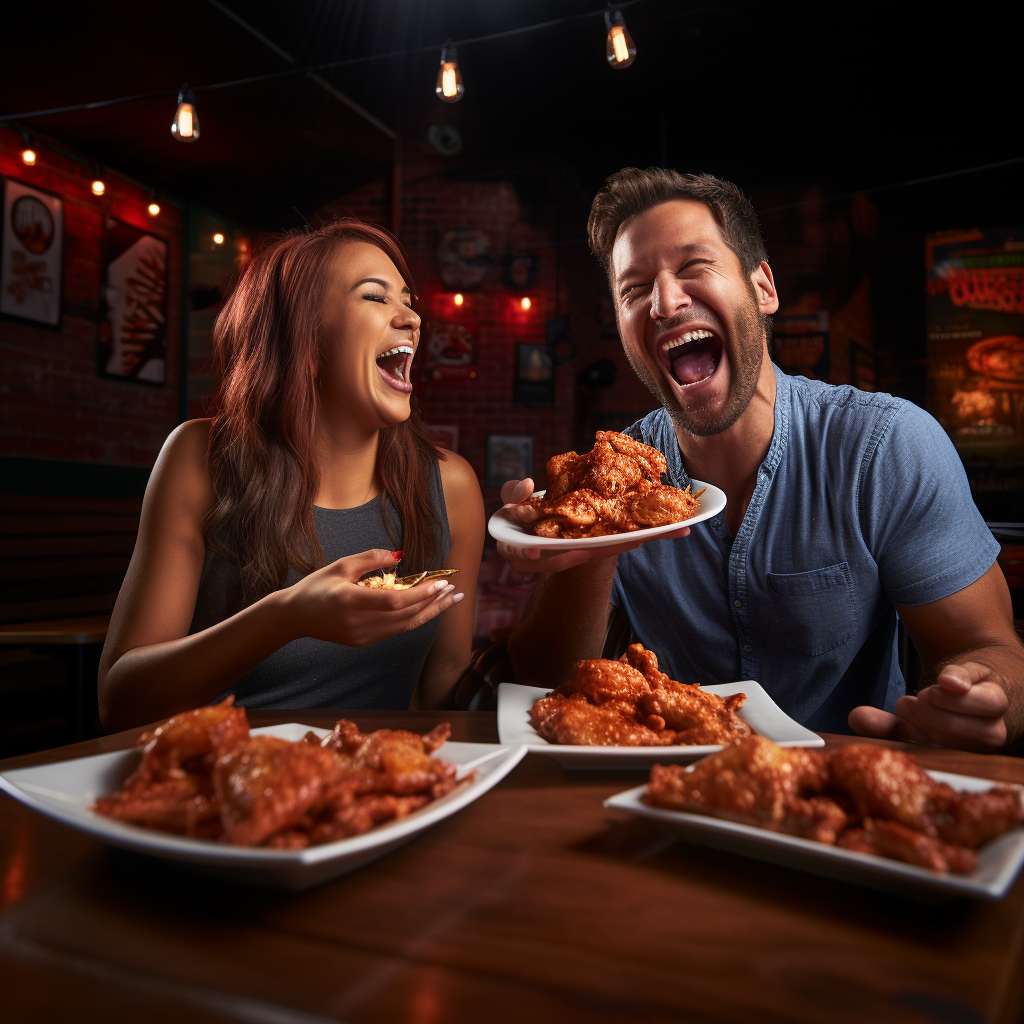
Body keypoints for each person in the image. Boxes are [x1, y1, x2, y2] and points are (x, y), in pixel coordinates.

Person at [500, 168, 1024, 754]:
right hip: (674, 802)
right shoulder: (612, 482)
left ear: (763, 289)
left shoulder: (886, 446)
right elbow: (538, 690)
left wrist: (977, 694)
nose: (664, 302)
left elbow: (989, 648)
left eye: (694, 267)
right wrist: (587, 551)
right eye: (634, 289)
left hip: (844, 802)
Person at [99, 219, 484, 732]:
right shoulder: (200, 458)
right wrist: (284, 617)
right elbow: (121, 703)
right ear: (303, 333)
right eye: (376, 297)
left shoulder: (452, 487)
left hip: (378, 795)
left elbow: (446, 681)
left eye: (408, 300)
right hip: (226, 785)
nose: (412, 317)